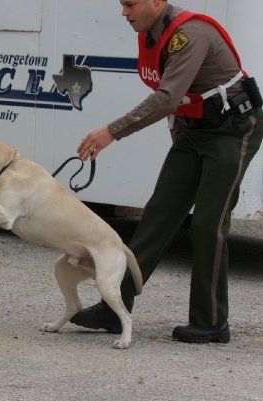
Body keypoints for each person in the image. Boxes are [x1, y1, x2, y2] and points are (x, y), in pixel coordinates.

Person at [71, 0, 263, 343]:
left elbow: (167, 98)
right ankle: (115, 308)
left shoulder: (190, 34)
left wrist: (111, 131)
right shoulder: (150, 34)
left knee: (207, 223)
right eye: (122, 4)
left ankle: (212, 322)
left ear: (157, 2)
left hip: (233, 128)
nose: (124, 13)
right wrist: (181, 136)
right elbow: (179, 99)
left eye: (130, 4)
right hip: (194, 129)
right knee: (159, 215)